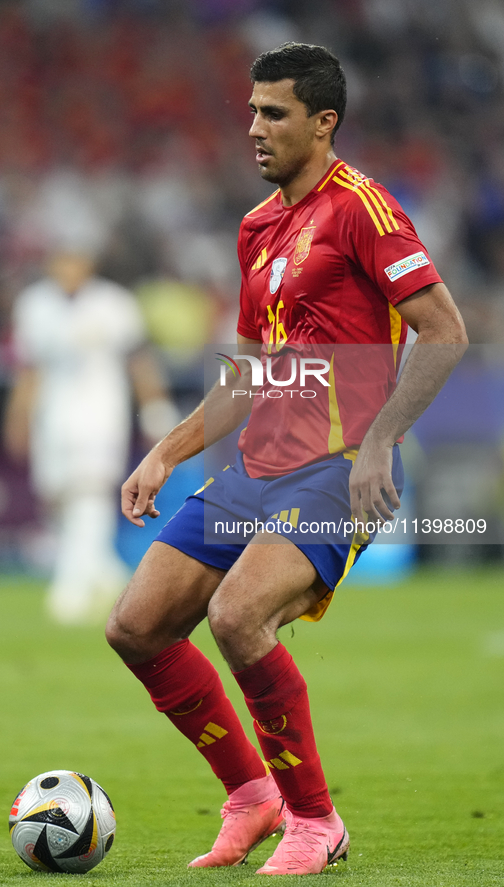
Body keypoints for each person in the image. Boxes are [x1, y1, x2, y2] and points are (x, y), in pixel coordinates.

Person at [105, 43, 468, 875]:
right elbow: (247, 372)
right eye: (251, 110)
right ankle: (250, 794)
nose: (253, 128)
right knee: (136, 626)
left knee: (237, 616)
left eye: (273, 113)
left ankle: (315, 819)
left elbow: (443, 331)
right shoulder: (257, 227)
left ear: (322, 122)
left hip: (340, 466)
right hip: (257, 470)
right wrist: (165, 451)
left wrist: (379, 440)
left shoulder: (364, 211)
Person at [3, 247, 177, 624]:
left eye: (74, 259)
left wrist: (155, 409)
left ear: (88, 263)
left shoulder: (115, 304)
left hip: (101, 416)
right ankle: (107, 575)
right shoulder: (34, 305)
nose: (68, 267)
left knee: (91, 491)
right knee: (59, 498)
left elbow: (140, 361)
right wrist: (18, 415)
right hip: (52, 418)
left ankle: (71, 589)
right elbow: (28, 369)